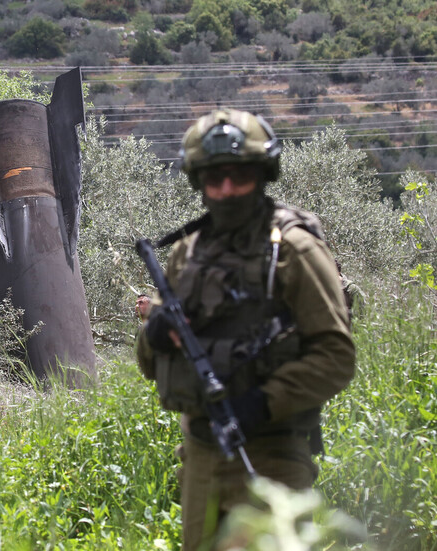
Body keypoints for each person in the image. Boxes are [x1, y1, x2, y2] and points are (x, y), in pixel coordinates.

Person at [135, 109, 355, 550]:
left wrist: (262, 403)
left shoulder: (293, 250)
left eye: (239, 176)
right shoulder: (186, 254)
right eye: (215, 179)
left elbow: (335, 356)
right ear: (199, 182)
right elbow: (150, 362)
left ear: (263, 173)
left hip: (273, 456)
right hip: (200, 456)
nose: (227, 190)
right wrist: (154, 336)